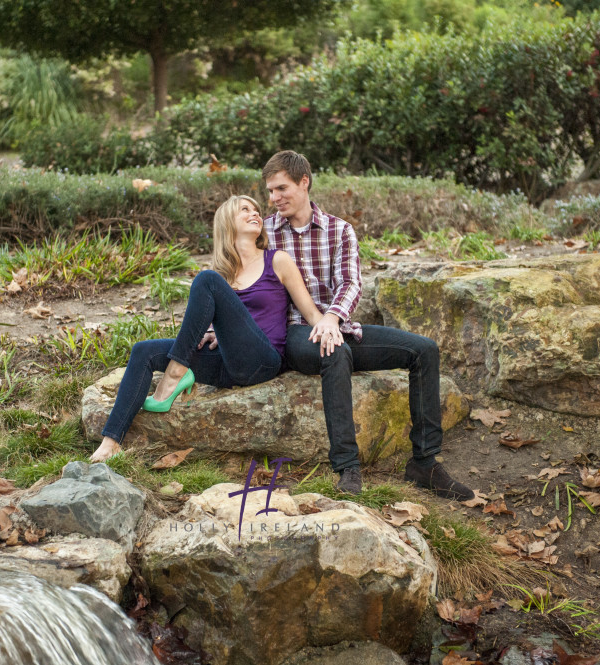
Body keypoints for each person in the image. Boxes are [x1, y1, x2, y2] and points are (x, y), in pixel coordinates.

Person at [261, 150, 475, 500]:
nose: (274, 198)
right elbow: (237, 277)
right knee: (335, 352)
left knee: (424, 351)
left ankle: (424, 463)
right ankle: (347, 466)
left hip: (338, 326)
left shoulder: (339, 230)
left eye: (281, 188)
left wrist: (332, 317)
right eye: (270, 191)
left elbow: (351, 283)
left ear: (304, 182)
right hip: (294, 334)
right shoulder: (266, 232)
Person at [89, 195, 333, 463]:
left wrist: (331, 324)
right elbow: (220, 319)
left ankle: (175, 374)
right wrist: (217, 331)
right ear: (228, 221)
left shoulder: (277, 261)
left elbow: (310, 312)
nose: (255, 213)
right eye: (245, 210)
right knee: (143, 351)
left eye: (256, 210)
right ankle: (111, 442)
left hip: (262, 361)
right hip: (226, 362)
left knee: (206, 279)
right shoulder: (222, 273)